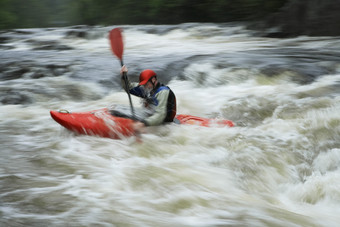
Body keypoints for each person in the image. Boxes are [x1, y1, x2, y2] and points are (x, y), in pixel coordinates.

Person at [120, 65, 176, 132]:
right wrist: (124, 76)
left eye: (146, 84)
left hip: (164, 123)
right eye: (144, 84)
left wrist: (144, 123)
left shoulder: (163, 92)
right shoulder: (147, 88)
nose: (145, 86)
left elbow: (160, 115)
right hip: (151, 117)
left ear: (153, 80)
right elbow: (129, 88)